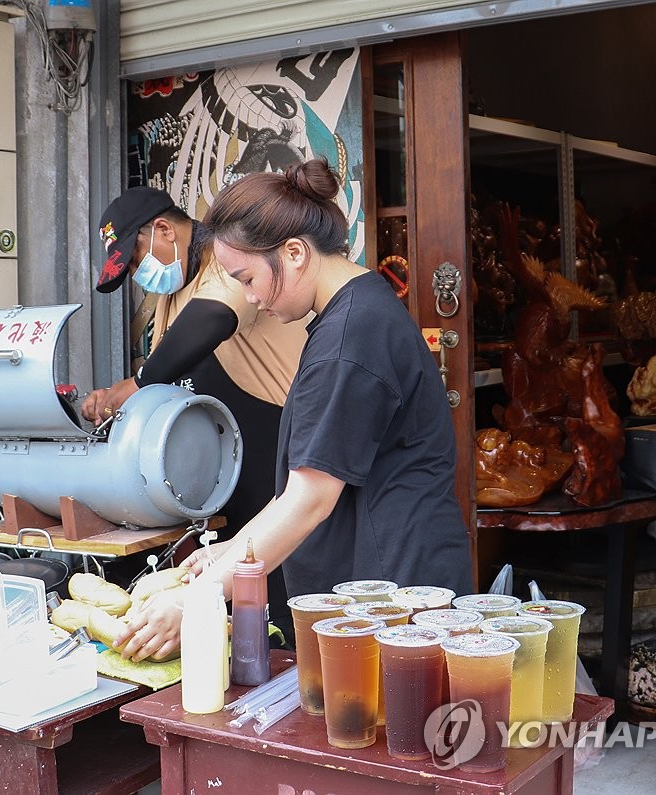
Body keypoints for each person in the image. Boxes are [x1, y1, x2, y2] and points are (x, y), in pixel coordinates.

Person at [116, 159, 473, 662]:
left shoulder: (350, 339)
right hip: (383, 588)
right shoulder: (350, 316)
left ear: (295, 253)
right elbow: (300, 485)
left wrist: (197, 596)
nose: (249, 297)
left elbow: (308, 499)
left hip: (396, 598)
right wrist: (229, 550)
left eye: (247, 278)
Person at [86, 186, 310, 641]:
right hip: (226, 462)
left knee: (282, 593)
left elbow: (209, 323)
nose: (137, 275)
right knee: (240, 601)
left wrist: (136, 383)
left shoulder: (227, 261)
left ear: (165, 229)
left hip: (277, 444)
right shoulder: (172, 292)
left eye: (134, 260)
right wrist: (113, 399)